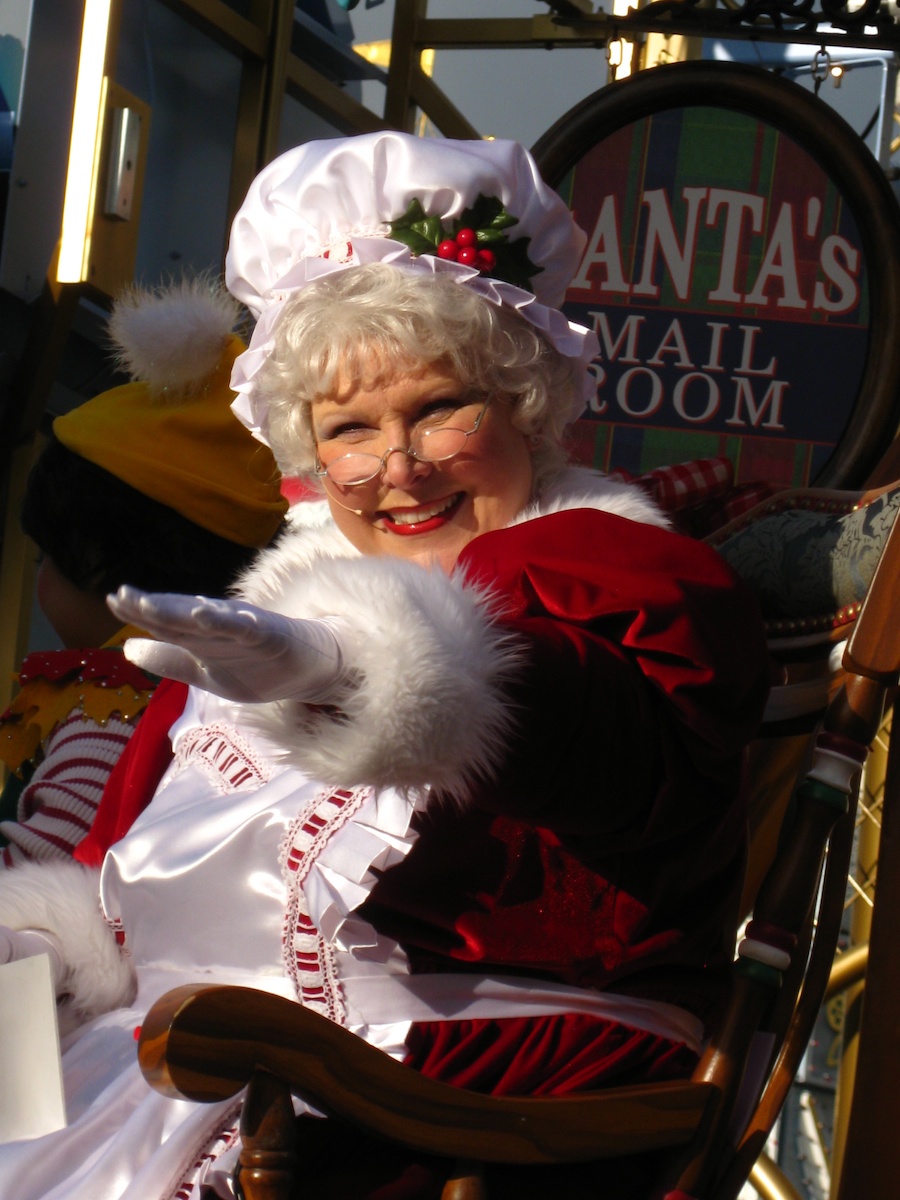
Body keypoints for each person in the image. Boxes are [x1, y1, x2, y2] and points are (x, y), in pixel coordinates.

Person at [0, 133, 769, 1200]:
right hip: (199, 1068)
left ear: (525, 404)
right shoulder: (250, 632)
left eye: (440, 409)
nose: (396, 468)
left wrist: (370, 673)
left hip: (455, 1110)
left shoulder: (608, 568)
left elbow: (598, 740)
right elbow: (94, 886)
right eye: (349, 429)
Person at [0, 276, 288, 865]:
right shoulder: (223, 688)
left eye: (45, 558)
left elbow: (35, 885)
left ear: (101, 563)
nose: (39, 583)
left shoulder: (110, 718)